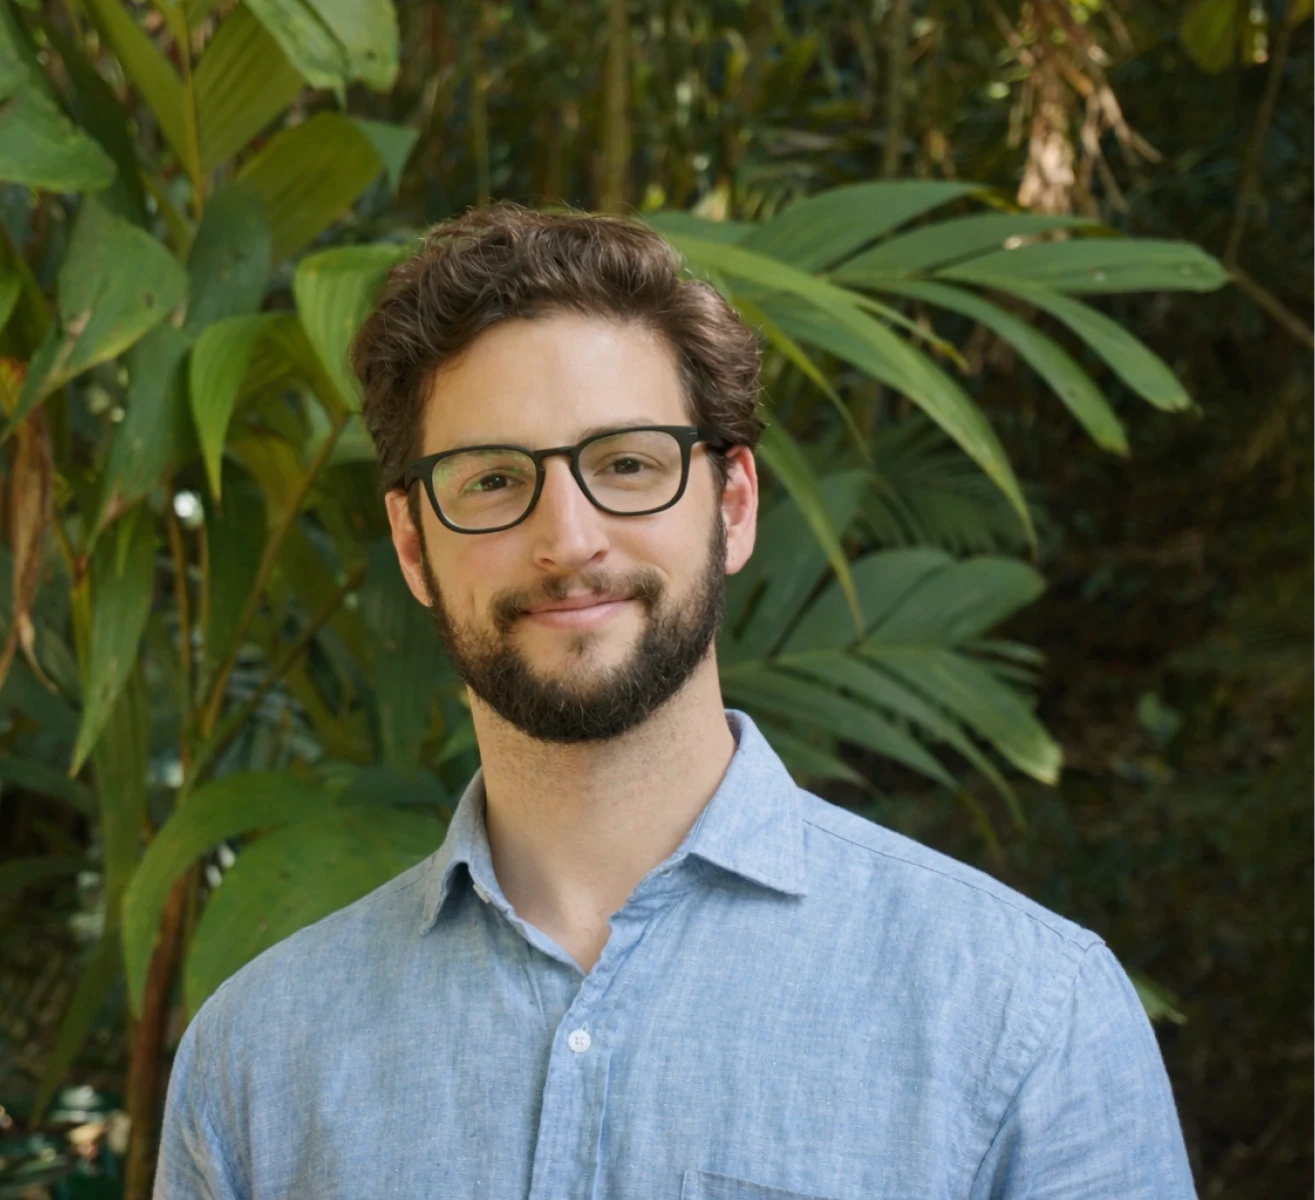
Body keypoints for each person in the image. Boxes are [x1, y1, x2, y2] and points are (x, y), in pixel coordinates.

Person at [153, 203, 1197, 1199]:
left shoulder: (1023, 1012)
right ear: (412, 545)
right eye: (490, 480)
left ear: (732, 507)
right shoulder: (257, 1060)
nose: (567, 537)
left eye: (627, 463)